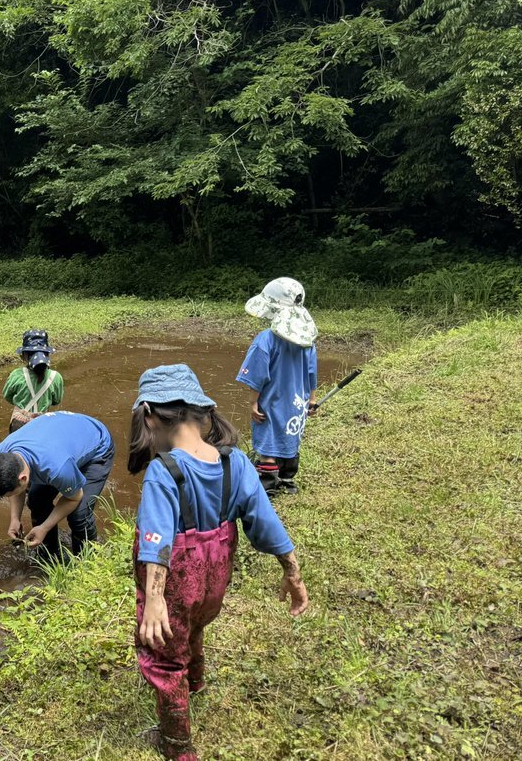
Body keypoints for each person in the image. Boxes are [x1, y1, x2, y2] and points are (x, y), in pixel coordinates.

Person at [130, 364, 308, 761]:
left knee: (164, 656)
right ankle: (195, 683)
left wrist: (155, 599)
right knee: (194, 627)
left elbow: (156, 539)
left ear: (149, 415)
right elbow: (265, 522)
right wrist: (292, 571)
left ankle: (177, 745)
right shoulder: (235, 462)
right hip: (214, 581)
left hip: (176, 585)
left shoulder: (163, 471)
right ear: (201, 413)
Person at [0, 411, 113, 559]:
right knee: (36, 500)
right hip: (62, 436)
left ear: (23, 478)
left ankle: (87, 562)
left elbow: (74, 498)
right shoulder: (3, 454)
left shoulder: (56, 468)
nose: (12, 496)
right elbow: (16, 488)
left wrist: (44, 527)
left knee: (79, 514)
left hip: (96, 444)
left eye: (11, 493)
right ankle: (49, 557)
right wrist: (15, 518)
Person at [236, 277, 319, 494]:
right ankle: (287, 480)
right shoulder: (307, 341)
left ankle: (268, 483)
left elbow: (258, 375)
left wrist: (253, 402)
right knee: (291, 437)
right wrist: (312, 399)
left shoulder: (266, 339)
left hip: (271, 402)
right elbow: (312, 371)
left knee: (267, 443)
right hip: (297, 402)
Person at [2, 329, 65, 432]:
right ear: (47, 355)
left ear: (24, 356)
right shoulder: (56, 377)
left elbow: (7, 396)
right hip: (42, 423)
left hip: (19, 423)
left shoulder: (16, 375)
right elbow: (56, 400)